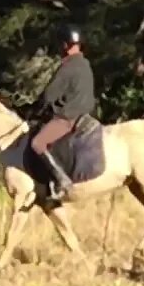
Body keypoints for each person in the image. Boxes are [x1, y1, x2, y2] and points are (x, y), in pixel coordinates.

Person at [31, 25, 96, 199]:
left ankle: (61, 180)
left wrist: (34, 108)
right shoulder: (85, 63)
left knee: (37, 143)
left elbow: (48, 95)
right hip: (86, 115)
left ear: (65, 45)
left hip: (69, 117)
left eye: (61, 45)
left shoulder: (67, 66)